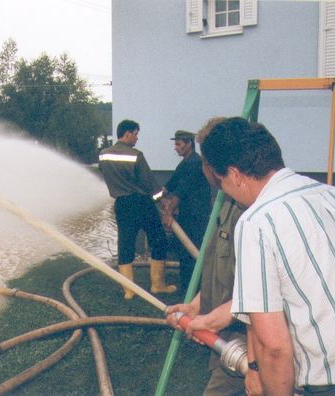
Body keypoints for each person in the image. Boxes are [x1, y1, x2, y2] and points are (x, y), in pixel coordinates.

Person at [185, 117, 335, 395]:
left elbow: (275, 347)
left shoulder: (257, 222)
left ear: (233, 175)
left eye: (221, 182)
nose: (224, 190)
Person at [166, 117, 254, 396]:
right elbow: (220, 270)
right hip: (228, 341)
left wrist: (211, 320)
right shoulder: (226, 204)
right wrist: (195, 306)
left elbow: (260, 291)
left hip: (253, 338)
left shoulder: (252, 214)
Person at [99, 119, 176, 299]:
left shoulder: (103, 155)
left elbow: (107, 175)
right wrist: (162, 200)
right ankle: (158, 285)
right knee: (158, 240)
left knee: (125, 244)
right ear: (127, 133)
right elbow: (149, 182)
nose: (137, 138)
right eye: (136, 134)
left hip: (122, 204)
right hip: (141, 203)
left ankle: (129, 290)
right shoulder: (136, 155)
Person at [162, 129, 212, 291]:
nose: (175, 148)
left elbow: (181, 191)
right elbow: (170, 185)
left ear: (189, 144)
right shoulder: (185, 163)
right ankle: (188, 287)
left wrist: (168, 213)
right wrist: (157, 195)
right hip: (186, 214)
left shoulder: (195, 163)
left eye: (178, 144)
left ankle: (195, 289)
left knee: (192, 252)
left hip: (197, 216)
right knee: (184, 251)